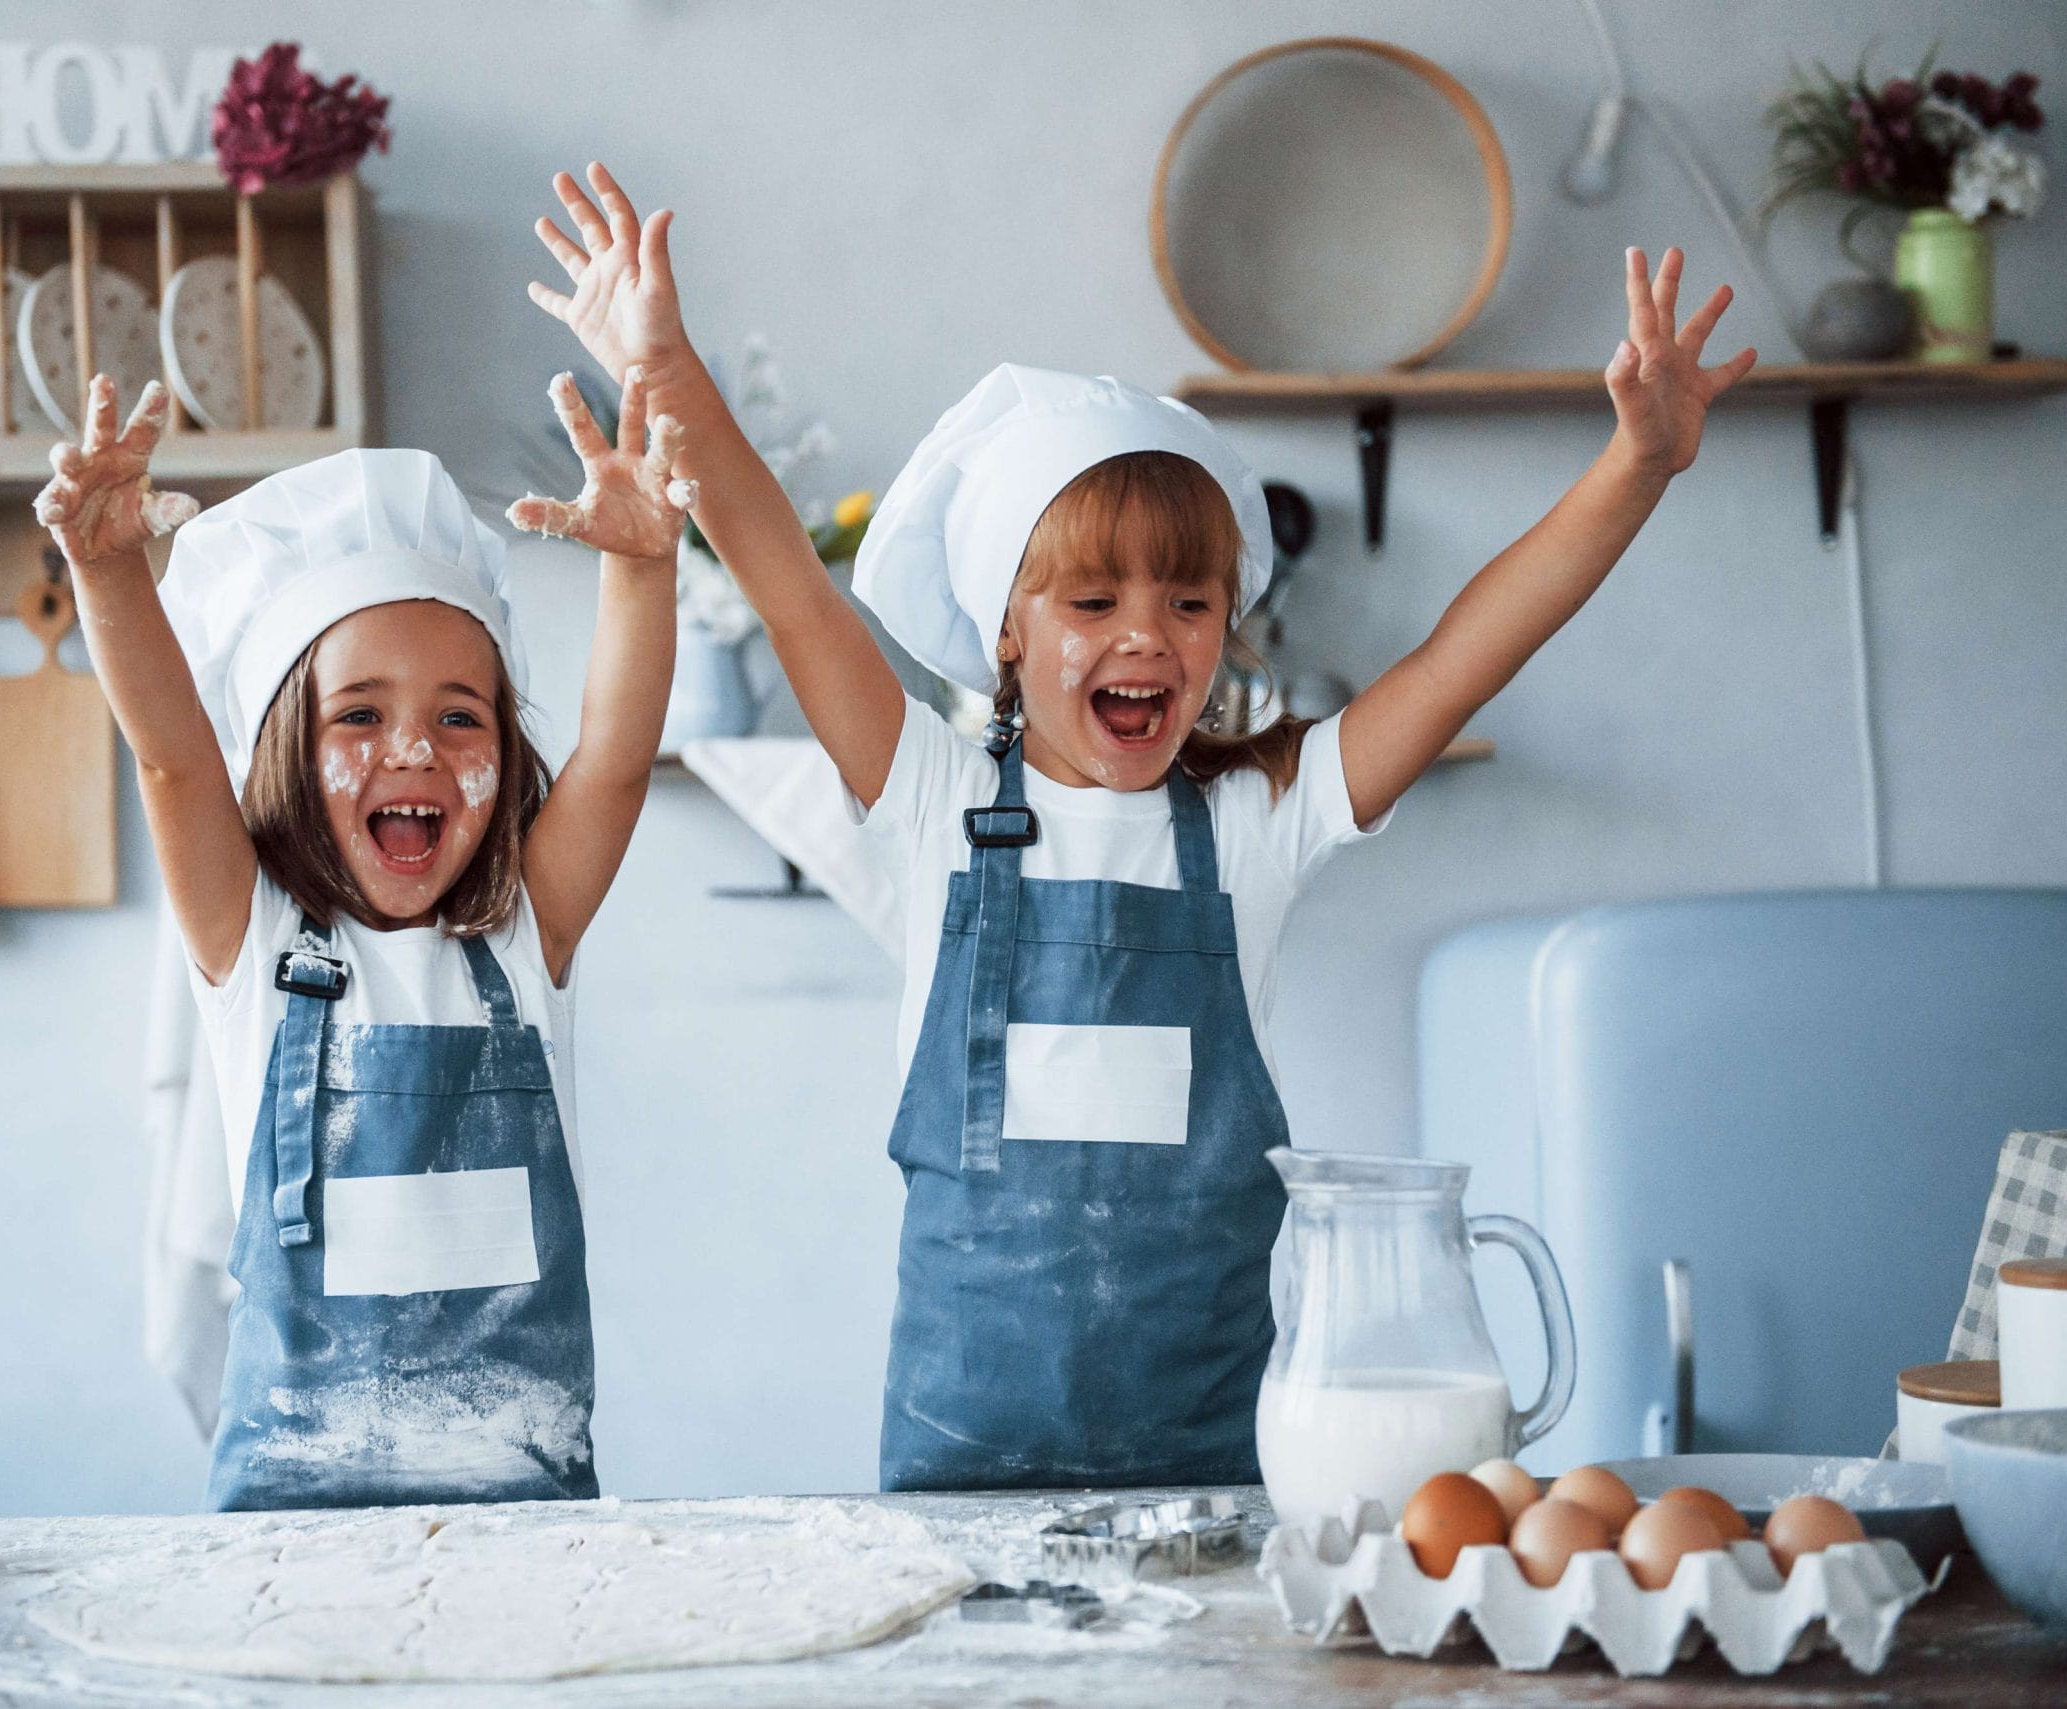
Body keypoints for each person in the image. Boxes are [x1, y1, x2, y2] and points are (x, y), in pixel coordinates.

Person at [523, 161, 1753, 1489]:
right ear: (1006, 628)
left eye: (1186, 603)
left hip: (1212, 1475)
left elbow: (1468, 647)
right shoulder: (931, 803)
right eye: (1091, 601)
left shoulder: (1256, 823)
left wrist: (1635, 466)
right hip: (960, 1474)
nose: (1147, 639)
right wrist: (673, 369)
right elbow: (787, 583)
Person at [33, 370, 692, 1506]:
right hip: (293, 1526)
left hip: (527, 1530)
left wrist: (639, 568)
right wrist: (104, 571)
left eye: (457, 715)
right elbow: (174, 756)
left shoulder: (528, 937)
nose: (414, 750)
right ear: (290, 745)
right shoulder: (256, 941)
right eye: (359, 714)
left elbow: (618, 759)